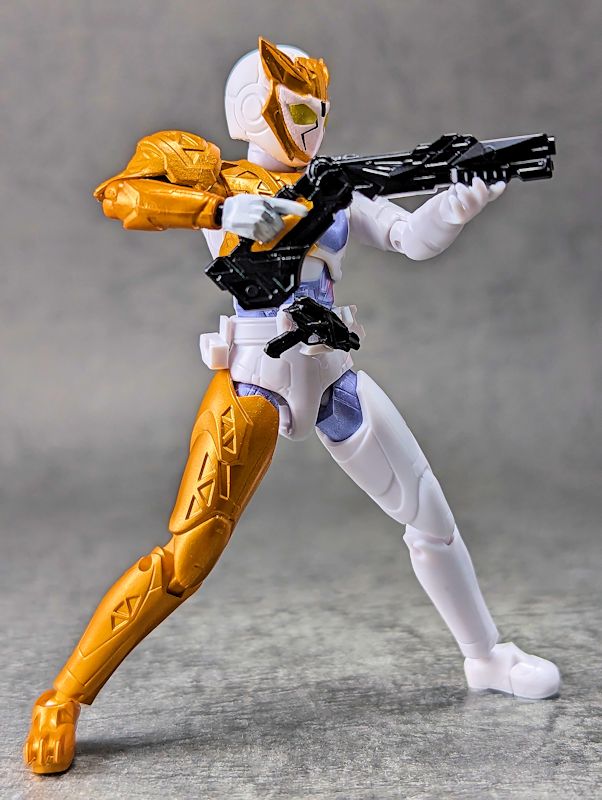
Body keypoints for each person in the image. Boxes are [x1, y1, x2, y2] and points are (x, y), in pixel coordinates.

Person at [24, 37, 560, 775]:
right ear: (255, 110)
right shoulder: (218, 177)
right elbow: (121, 194)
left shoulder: (332, 184)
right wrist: (221, 206)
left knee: (429, 516)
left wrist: (461, 199)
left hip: (331, 370)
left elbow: (410, 237)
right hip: (253, 377)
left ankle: (486, 656)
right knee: (185, 558)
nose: (314, 126)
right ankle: (63, 697)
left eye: (321, 112)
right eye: (301, 110)